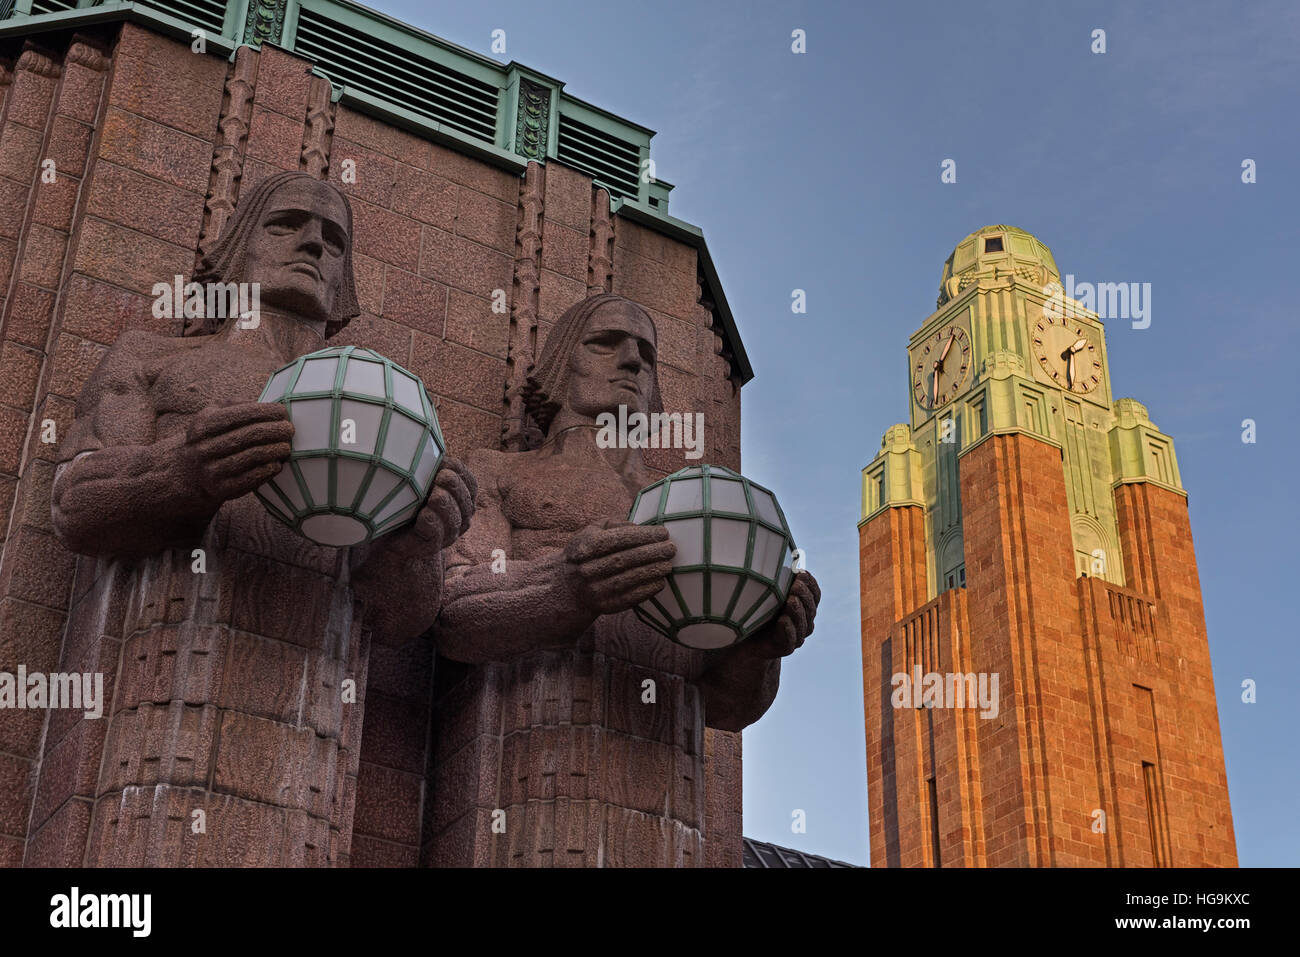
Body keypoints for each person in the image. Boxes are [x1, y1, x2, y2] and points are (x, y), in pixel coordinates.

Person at [50, 171, 474, 864]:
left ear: (346, 283)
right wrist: (180, 473)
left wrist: (418, 546)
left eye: (334, 240)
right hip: (152, 695)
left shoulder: (385, 415)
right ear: (238, 246)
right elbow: (73, 502)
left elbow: (402, 616)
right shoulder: (154, 360)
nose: (313, 242)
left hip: (312, 744)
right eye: (288, 224)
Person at [430, 293, 819, 865]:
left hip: (670, 798)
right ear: (562, 365)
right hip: (530, 758)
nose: (633, 361)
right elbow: (452, 610)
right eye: (606, 343)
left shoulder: (689, 510)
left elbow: (726, 706)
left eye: (646, 354)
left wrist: (761, 646)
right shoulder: (500, 471)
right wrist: (566, 588)